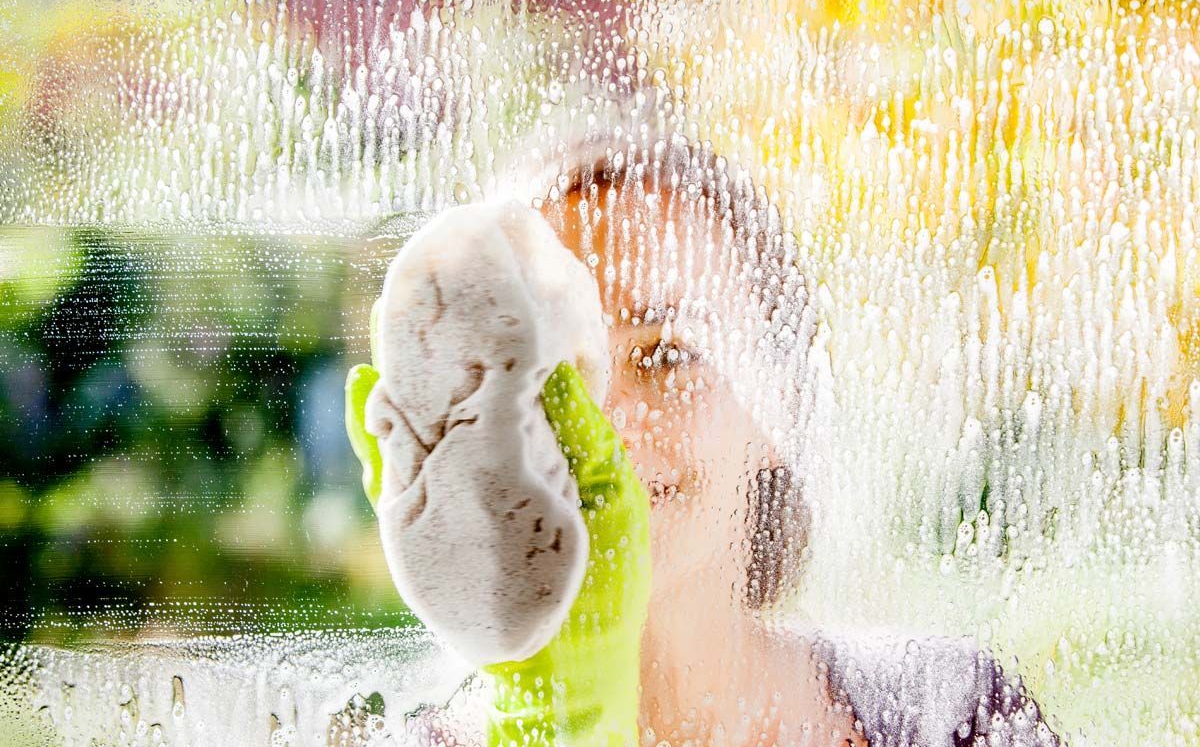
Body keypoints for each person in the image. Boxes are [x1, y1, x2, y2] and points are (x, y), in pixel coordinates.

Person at [348, 129, 1060, 747]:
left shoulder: (950, 714)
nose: (606, 422)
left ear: (781, 397)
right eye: (546, 371)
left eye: (666, 354)